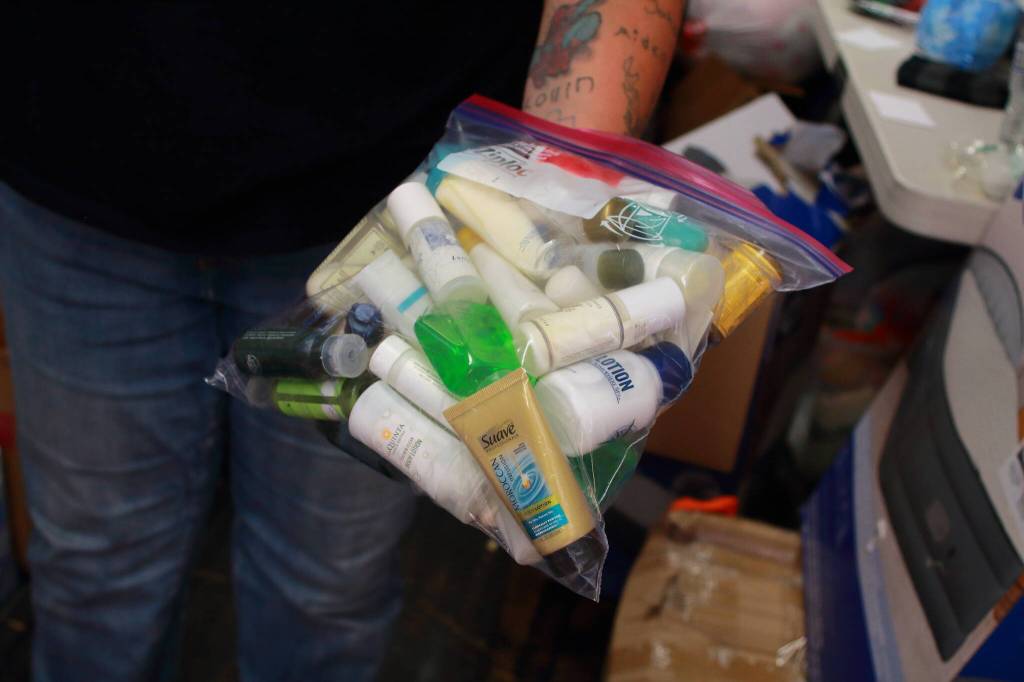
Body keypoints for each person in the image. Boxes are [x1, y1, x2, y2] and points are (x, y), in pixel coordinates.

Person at [0, 1, 684, 680]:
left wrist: (548, 208)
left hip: (395, 209)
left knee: (325, 590)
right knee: (96, 574)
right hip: (78, 168)